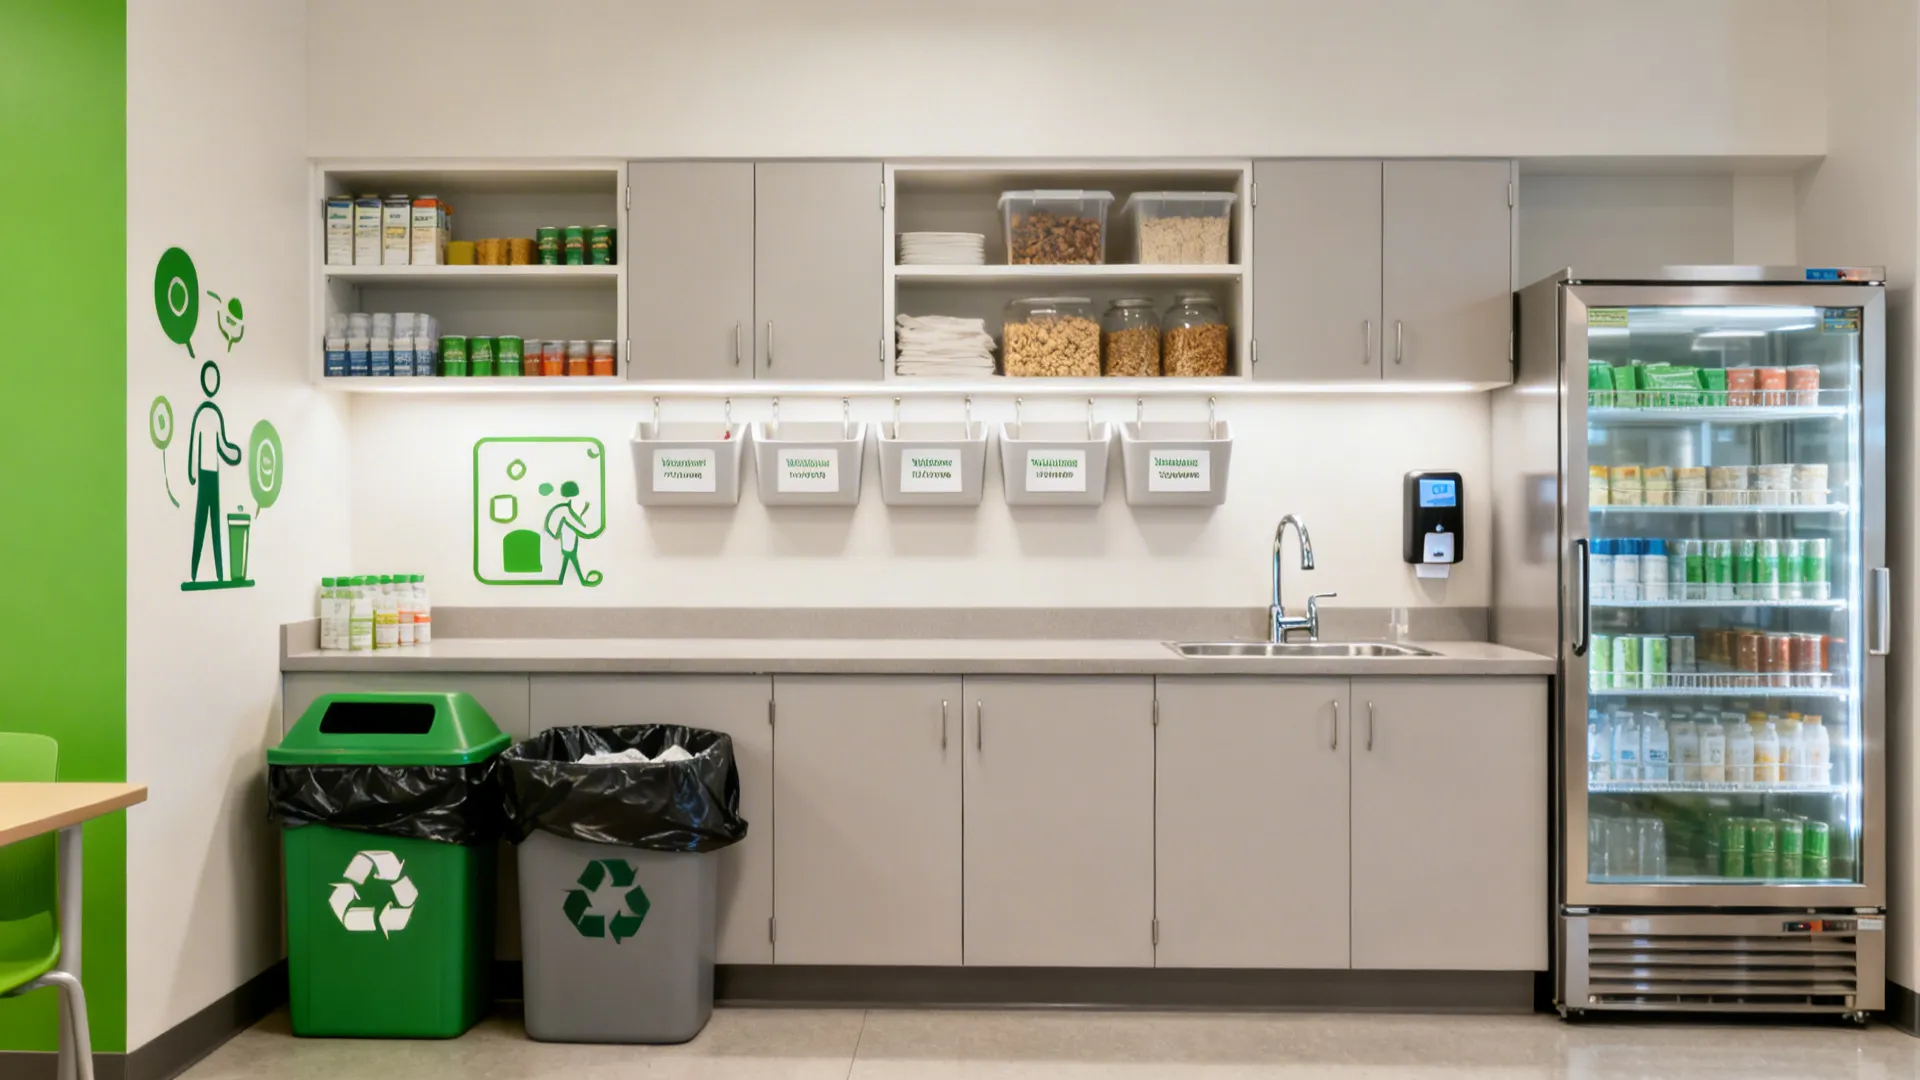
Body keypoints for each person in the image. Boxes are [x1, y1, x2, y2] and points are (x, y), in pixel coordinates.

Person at [188, 361, 241, 581]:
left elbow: (222, 444)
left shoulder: (216, 416)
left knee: (216, 525)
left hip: (214, 475)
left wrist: (233, 454)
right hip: (204, 474)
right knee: (201, 523)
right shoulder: (202, 415)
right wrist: (192, 472)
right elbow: (194, 445)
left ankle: (219, 573)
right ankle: (193, 572)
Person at [542, 480, 603, 586]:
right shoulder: (565, 510)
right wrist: (594, 532)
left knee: (568, 559)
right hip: (568, 542)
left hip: (569, 541)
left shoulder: (567, 508)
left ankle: (564, 579)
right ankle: (578, 580)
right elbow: (578, 527)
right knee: (571, 558)